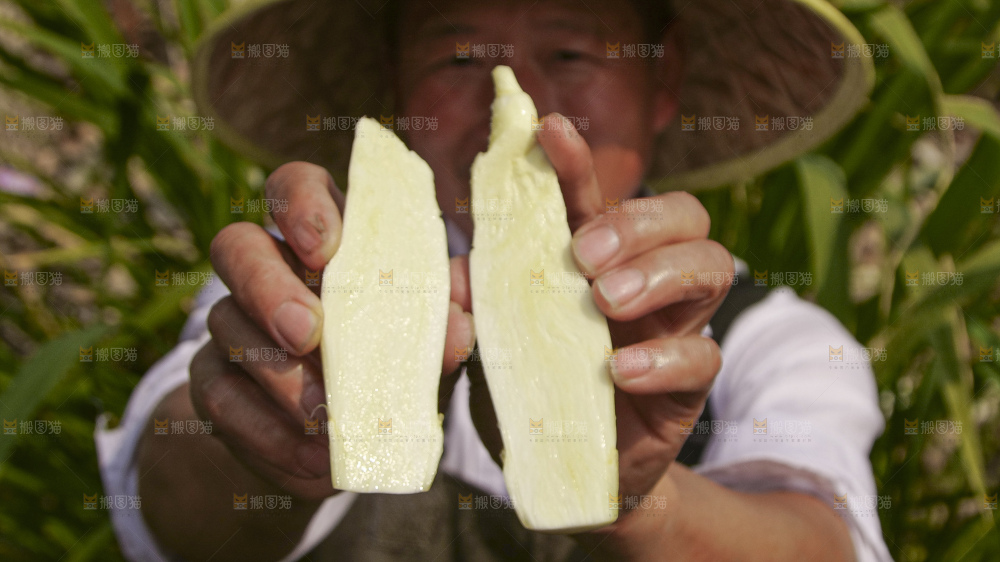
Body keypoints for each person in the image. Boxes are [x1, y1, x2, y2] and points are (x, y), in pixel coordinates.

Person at [95, 0, 892, 560]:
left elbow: (824, 540)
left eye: (571, 53)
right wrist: (270, 441)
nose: (516, 98)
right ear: (394, 83)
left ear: (665, 77)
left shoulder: (771, 339)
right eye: (459, 57)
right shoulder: (317, 279)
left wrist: (635, 500)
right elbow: (174, 507)